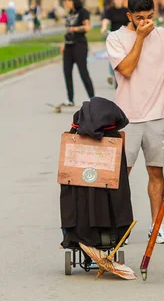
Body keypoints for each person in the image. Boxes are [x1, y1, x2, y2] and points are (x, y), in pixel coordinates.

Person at [106, 0, 164, 244]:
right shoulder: (115, 38)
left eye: (150, 17)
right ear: (129, 16)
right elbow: (126, 70)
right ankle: (118, 227)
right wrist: (139, 38)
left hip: (157, 116)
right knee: (120, 175)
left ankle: (157, 225)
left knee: (156, 172)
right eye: (140, 18)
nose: (146, 22)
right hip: (127, 117)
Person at [60, 96, 135, 280]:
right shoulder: (113, 139)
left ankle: (81, 236)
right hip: (110, 229)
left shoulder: (73, 139)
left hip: (78, 227)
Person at [61, 0, 95, 107]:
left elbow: (87, 27)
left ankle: (93, 99)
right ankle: (70, 99)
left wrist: (75, 29)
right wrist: (64, 44)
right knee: (67, 72)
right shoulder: (70, 13)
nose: (66, 4)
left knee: (83, 72)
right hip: (68, 45)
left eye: (67, 1)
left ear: (73, 0)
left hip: (79, 45)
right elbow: (67, 30)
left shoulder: (83, 12)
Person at [101, 0, 130, 85]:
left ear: (122, 0)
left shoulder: (126, 11)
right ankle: (111, 74)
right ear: (113, 0)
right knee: (113, 56)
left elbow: (130, 22)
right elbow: (105, 19)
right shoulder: (110, 10)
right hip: (114, 36)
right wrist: (103, 27)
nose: (118, 0)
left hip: (125, 36)